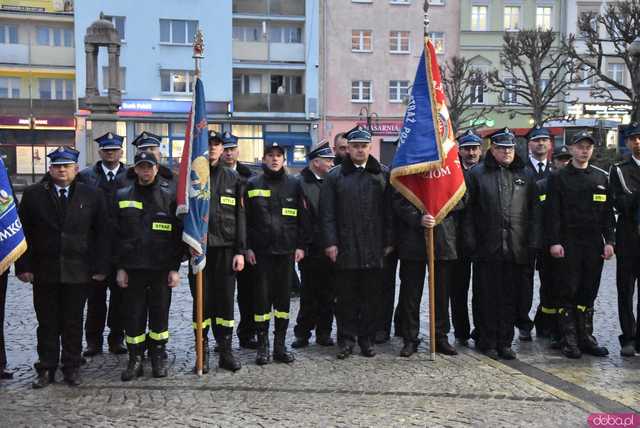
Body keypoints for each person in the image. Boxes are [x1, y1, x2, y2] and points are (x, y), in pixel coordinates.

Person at [16, 146, 109, 388]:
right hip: (44, 270)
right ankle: (46, 368)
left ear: (76, 169)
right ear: (50, 168)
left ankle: (72, 367)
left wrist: (100, 266)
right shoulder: (33, 194)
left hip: (78, 271)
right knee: (47, 322)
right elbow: (22, 233)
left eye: (66, 166)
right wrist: (23, 266)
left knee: (73, 322)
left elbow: (102, 234)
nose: (61, 170)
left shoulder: (92, 195)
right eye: (57, 165)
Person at [320, 125, 393, 359]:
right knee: (345, 297)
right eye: (355, 146)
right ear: (348, 149)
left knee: (371, 297)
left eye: (363, 146)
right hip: (345, 247)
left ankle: (367, 339)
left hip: (374, 247)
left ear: (370, 147)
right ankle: (346, 339)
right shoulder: (335, 176)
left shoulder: (382, 174)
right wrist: (330, 243)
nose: (360, 150)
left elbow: (390, 212)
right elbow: (327, 213)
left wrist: (389, 241)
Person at [463, 128, 536, 360]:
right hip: (487, 248)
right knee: (486, 296)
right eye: (502, 148)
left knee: (510, 298)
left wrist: (532, 244)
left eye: (510, 148)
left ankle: (505, 341)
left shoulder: (525, 173)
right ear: (491, 149)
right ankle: (486, 339)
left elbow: (534, 213)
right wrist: (471, 243)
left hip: (516, 248)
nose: (507, 152)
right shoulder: (477, 174)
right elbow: (468, 213)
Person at [114, 152, 183, 380]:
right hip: (133, 268)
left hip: (160, 269)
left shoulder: (169, 196)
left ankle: (157, 357)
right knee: (133, 316)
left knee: (159, 315)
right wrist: (120, 267)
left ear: (156, 168)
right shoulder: (122, 195)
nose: (145, 171)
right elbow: (115, 235)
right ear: (135, 169)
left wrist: (175, 268)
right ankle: (135, 359)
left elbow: (177, 235)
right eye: (141, 167)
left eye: (149, 167)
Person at [546, 131, 614, 359]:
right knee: (567, 290)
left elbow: (607, 215)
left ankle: (586, 336)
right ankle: (569, 339)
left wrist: (610, 241)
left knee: (589, 290)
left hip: (593, 243)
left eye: (588, 147)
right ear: (571, 149)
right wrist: (554, 241)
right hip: (568, 242)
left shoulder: (601, 177)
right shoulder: (559, 177)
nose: (584, 150)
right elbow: (553, 213)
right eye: (580, 146)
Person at [245, 142, 308, 365]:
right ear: (263, 159)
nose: (274, 159)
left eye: (278, 155)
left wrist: (300, 246)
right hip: (261, 253)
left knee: (283, 302)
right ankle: (263, 347)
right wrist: (247, 248)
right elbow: (245, 220)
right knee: (261, 301)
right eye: (270, 155)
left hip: (286, 252)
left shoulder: (294, 184)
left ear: (284, 159)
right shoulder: (252, 184)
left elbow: (303, 218)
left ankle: (280, 346)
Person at [189, 131, 245, 372]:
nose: (213, 148)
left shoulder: (233, 179)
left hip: (225, 249)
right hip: (199, 250)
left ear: (223, 149)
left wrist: (240, 250)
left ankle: (225, 351)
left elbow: (241, 217)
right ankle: (201, 353)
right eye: (209, 144)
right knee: (201, 303)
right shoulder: (193, 177)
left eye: (217, 144)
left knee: (224, 303)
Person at [393, 191, 466, 357]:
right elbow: (398, 199)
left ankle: (440, 336)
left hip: (443, 237)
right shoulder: (410, 165)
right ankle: (410, 338)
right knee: (410, 294)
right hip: (412, 239)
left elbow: (462, 197)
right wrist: (417, 218)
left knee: (441, 294)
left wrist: (439, 210)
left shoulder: (451, 165)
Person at [78, 132, 128, 357]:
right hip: (95, 248)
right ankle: (93, 341)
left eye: (114, 149)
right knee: (95, 299)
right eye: (106, 150)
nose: (110, 153)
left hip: (121, 246)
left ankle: (117, 339)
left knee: (120, 299)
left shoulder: (130, 175)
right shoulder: (86, 176)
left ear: (121, 152)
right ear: (99, 152)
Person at [291, 141, 336, 349]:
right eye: (328, 160)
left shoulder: (332, 180)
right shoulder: (300, 183)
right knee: (309, 294)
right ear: (316, 162)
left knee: (328, 294)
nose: (331, 163)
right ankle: (303, 333)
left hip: (330, 247)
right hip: (310, 249)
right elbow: (299, 218)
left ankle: (324, 332)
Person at [532, 145, 572, 349]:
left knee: (565, 288)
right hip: (547, 247)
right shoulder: (542, 185)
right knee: (548, 288)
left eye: (567, 159)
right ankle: (544, 325)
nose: (564, 163)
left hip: (570, 246)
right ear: (553, 161)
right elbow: (537, 220)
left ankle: (562, 328)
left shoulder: (573, 184)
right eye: (560, 160)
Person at [221, 132, 258, 349]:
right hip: (223, 243)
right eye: (225, 149)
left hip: (246, 243)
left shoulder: (249, 177)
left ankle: (248, 333)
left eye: (231, 148)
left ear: (238, 151)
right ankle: (221, 337)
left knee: (248, 293)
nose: (228, 152)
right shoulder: (211, 175)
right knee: (222, 294)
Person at [519, 125, 554, 341]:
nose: (540, 144)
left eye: (544, 140)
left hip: (550, 236)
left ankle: (546, 322)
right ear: (529, 144)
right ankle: (523, 322)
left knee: (551, 280)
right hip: (525, 236)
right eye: (536, 140)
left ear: (550, 144)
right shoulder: (521, 170)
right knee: (524, 282)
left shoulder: (557, 171)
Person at [609, 122, 640, 357]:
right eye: (633, 138)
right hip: (629, 238)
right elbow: (620, 203)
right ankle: (628, 336)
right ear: (628, 142)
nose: (637, 142)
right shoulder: (619, 170)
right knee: (625, 290)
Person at [450, 129, 482, 346]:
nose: (471, 153)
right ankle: (461, 330)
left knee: (482, 289)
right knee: (458, 289)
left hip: (482, 240)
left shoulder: (486, 171)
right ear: (459, 151)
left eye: (475, 148)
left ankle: (481, 329)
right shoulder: (452, 172)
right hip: (457, 239)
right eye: (467, 148)